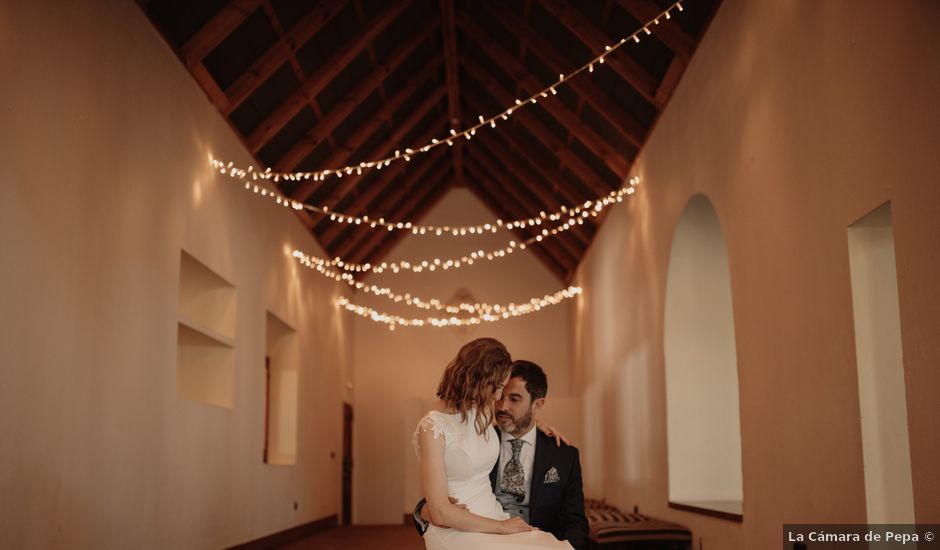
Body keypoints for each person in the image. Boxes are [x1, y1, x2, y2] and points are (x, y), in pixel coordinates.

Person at [413, 342, 585, 549]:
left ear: (537, 405)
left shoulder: (562, 454)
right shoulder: (445, 425)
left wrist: (533, 424)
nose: (499, 403)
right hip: (471, 526)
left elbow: (576, 523)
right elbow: (440, 504)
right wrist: (424, 510)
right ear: (483, 381)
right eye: (500, 391)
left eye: (514, 398)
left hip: (505, 522)